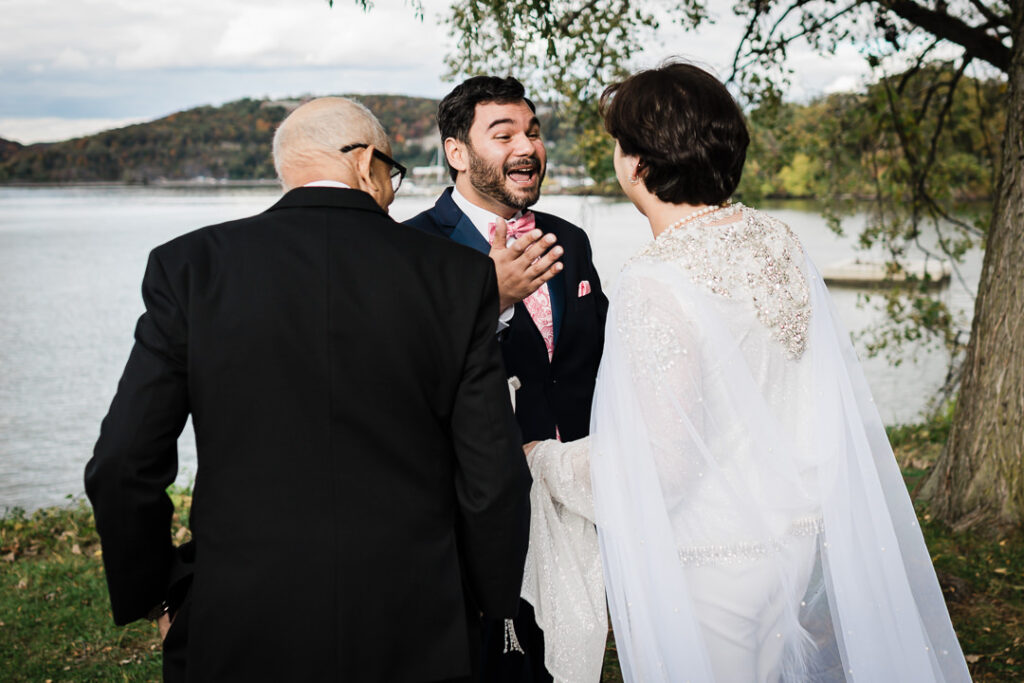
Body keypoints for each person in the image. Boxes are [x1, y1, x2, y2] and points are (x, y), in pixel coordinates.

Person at [523, 63, 972, 682]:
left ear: (638, 163)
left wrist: (547, 462)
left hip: (710, 560)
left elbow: (663, 468)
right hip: (791, 540)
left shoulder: (655, 278)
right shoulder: (778, 238)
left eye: (620, 144)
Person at [84, 96, 531, 683]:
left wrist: (160, 594)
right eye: (392, 175)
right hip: (416, 615)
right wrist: (485, 603)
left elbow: (121, 463)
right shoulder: (456, 276)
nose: (391, 191)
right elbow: (492, 477)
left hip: (240, 617)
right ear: (366, 162)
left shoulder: (191, 267)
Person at [405, 76, 609, 683]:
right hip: (477, 504)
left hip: (576, 492)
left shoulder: (569, 240)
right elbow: (407, 377)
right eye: (504, 134)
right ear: (457, 152)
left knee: (575, 648)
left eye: (534, 131)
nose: (528, 147)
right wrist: (488, 303)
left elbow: (596, 361)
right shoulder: (412, 247)